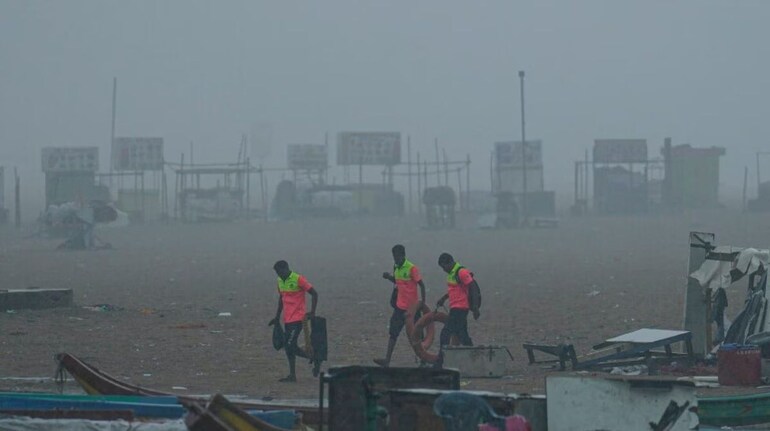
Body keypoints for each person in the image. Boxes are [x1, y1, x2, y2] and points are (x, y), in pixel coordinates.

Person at [374, 244, 426, 368]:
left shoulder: (411, 268)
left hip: (413, 308)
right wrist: (389, 277)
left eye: (397, 257)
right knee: (393, 333)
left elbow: (421, 285)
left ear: (403, 255)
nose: (395, 259)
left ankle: (424, 359)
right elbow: (398, 281)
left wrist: (422, 303)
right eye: (393, 257)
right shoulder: (396, 267)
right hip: (400, 307)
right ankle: (387, 360)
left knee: (418, 334)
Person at [268, 260, 319, 382]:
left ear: (286, 268)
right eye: (277, 273)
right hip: (287, 319)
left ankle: (311, 358)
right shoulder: (280, 281)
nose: (279, 275)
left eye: (280, 272)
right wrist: (277, 317)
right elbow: (282, 299)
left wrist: (312, 312)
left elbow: (314, 293)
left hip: (298, 319)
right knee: (290, 347)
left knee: (289, 345)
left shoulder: (298, 279)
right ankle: (294, 374)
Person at [435, 253, 479, 365]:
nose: (444, 270)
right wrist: (443, 298)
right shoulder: (451, 274)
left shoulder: (461, 272)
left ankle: (440, 361)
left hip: (460, 309)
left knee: (445, 333)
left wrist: (475, 307)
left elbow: (472, 286)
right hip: (454, 308)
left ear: (449, 262)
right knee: (463, 335)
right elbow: (454, 290)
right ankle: (475, 359)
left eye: (444, 267)